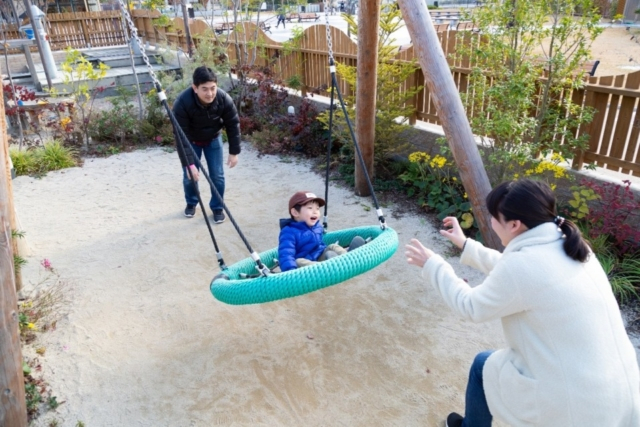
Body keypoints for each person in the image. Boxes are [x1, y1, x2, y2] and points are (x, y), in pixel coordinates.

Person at [404, 179, 640, 427]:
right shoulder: (571, 245)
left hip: (576, 406)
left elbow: (471, 306)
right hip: (620, 393)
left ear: (515, 225)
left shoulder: (524, 265)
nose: (491, 221)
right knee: (489, 364)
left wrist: (433, 264)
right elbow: (518, 276)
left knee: (482, 366)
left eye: (493, 216)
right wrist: (466, 245)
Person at [172, 66, 241, 223]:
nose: (210, 93)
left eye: (213, 88)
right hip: (191, 142)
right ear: (195, 88)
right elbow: (180, 136)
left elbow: (233, 124)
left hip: (213, 139)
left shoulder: (223, 99)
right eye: (204, 89)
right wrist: (189, 164)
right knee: (190, 176)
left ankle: (217, 207)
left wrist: (234, 151)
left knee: (217, 176)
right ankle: (191, 203)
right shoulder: (182, 103)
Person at [278, 191, 365, 272]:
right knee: (298, 261)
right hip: (306, 265)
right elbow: (286, 254)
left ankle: (349, 258)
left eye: (317, 208)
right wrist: (290, 271)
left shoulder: (317, 226)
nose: (315, 212)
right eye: (310, 208)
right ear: (295, 212)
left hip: (320, 256)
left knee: (332, 246)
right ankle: (325, 268)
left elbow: (321, 245)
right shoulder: (289, 232)